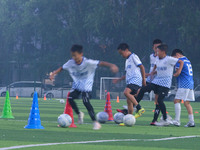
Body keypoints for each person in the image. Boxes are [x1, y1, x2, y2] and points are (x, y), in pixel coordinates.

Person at [49, 44, 118, 130]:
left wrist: (112, 65)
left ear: (81, 54)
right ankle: (79, 114)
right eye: (72, 56)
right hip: (77, 86)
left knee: (85, 101)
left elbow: (101, 63)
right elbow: (62, 68)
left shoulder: (88, 62)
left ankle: (95, 122)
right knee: (70, 98)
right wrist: (53, 74)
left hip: (87, 87)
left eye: (75, 55)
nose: (74, 57)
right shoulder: (70, 63)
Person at [136, 44, 184, 126]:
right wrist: (152, 73)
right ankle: (135, 105)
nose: (156, 53)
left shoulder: (169, 59)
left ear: (163, 52)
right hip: (156, 81)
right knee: (143, 89)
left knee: (159, 101)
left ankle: (164, 118)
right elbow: (156, 65)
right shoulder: (157, 59)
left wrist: (178, 71)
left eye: (158, 51)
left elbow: (181, 61)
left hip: (165, 84)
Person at [114, 43, 146, 118]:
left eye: (122, 53)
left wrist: (143, 79)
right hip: (130, 81)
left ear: (126, 50)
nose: (122, 56)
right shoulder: (127, 60)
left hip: (135, 80)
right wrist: (120, 79)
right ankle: (129, 118)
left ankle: (139, 108)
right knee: (129, 101)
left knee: (126, 92)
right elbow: (128, 73)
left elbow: (142, 67)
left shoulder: (133, 56)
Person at [171, 49, 195, 127]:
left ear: (177, 55)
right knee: (187, 103)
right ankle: (191, 121)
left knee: (176, 101)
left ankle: (177, 121)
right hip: (190, 83)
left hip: (183, 84)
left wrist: (171, 75)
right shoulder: (187, 60)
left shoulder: (180, 60)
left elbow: (178, 73)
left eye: (174, 57)